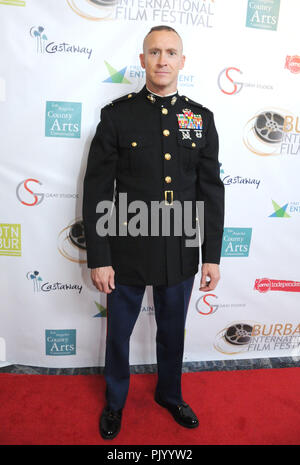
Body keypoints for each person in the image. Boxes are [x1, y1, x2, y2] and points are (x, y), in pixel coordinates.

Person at [83, 25, 224, 440]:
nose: (162, 60)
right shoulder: (117, 115)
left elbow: (210, 191)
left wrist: (211, 255)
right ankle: (115, 402)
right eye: (154, 52)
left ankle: (170, 393)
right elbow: (97, 190)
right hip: (126, 247)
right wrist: (100, 256)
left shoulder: (200, 118)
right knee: (119, 334)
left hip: (180, 247)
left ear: (183, 61)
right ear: (142, 60)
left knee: (171, 331)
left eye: (171, 52)